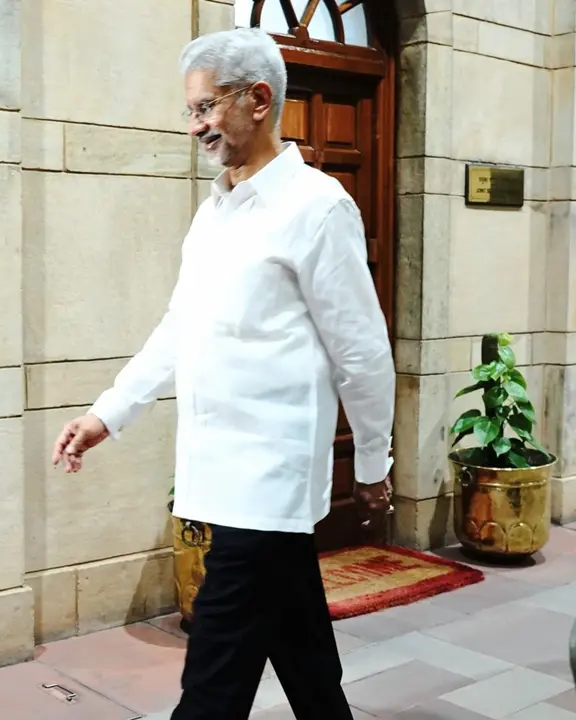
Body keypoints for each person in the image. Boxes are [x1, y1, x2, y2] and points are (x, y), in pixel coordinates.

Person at [50, 28, 395, 720]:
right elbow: (180, 327)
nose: (196, 126)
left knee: (213, 678)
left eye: (206, 107)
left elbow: (362, 352)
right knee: (301, 650)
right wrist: (106, 413)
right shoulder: (213, 214)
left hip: (267, 479)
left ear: (259, 99)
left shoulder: (317, 207)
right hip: (220, 473)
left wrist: (373, 463)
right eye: (191, 111)